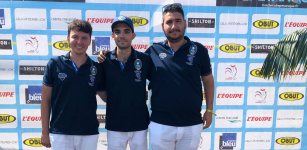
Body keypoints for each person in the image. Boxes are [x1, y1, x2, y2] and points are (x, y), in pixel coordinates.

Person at [145, 3, 215, 150]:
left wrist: (209, 110)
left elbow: (208, 81)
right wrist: (107, 57)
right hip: (161, 125)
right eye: (169, 22)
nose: (173, 26)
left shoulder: (199, 50)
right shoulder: (152, 51)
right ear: (163, 26)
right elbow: (131, 68)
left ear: (185, 24)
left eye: (177, 21)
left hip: (192, 124)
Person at [41, 19, 106, 150]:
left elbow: (107, 97)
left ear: (89, 41)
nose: (79, 42)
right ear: (68, 38)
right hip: (60, 132)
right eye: (75, 37)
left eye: (84, 38)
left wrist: (112, 62)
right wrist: (45, 132)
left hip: (88, 132)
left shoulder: (97, 68)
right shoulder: (54, 64)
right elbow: (46, 100)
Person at [100, 15, 151, 150]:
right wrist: (114, 100)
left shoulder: (144, 59)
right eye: (117, 32)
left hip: (140, 124)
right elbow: (99, 89)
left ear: (133, 35)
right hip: (115, 125)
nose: (122, 35)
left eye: (126, 31)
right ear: (112, 35)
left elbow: (160, 82)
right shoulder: (104, 61)